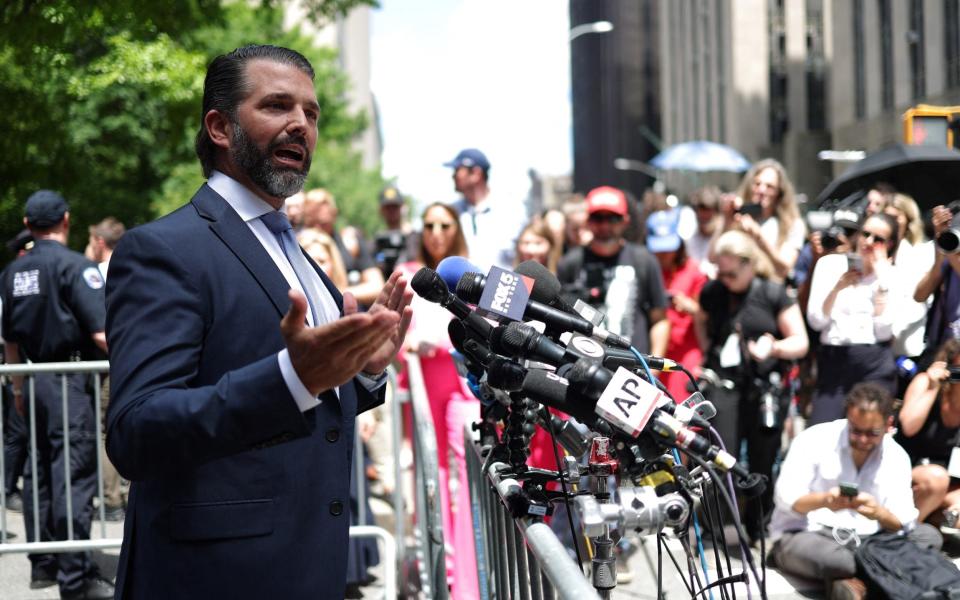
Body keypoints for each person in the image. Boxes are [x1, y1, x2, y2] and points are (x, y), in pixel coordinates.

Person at [103, 44, 412, 599]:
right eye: (277, 105)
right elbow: (136, 431)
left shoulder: (299, 254)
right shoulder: (164, 249)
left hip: (308, 567)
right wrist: (292, 379)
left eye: (312, 113)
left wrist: (360, 372)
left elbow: (311, 400)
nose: (300, 125)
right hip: (212, 577)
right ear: (220, 127)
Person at [1, 190, 114, 599]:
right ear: (65, 221)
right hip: (68, 378)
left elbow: (9, 338)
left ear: (28, 225)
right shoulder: (77, 267)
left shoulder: (12, 272)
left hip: (30, 377)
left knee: (38, 473)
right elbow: (102, 333)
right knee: (73, 471)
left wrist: (16, 388)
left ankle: (42, 565)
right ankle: (75, 576)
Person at [769, 383, 942, 598]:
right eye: (856, 431)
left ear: (889, 424)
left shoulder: (896, 455)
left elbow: (903, 520)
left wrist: (878, 513)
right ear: (848, 418)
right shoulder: (814, 439)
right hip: (810, 532)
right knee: (840, 560)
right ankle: (871, 573)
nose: (862, 440)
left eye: (871, 433)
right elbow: (787, 499)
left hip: (869, 539)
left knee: (929, 537)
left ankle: (856, 580)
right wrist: (825, 500)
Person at [695, 230, 809, 533]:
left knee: (762, 459)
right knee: (720, 455)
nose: (725, 278)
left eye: (732, 273)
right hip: (725, 383)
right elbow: (700, 318)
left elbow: (800, 341)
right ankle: (715, 526)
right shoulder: (713, 291)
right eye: (720, 271)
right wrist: (708, 349)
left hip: (763, 387)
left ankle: (758, 526)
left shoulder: (772, 292)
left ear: (749, 265)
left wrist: (774, 348)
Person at [394, 202, 478, 599]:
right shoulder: (410, 275)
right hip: (425, 382)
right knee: (433, 471)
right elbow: (395, 336)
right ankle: (444, 566)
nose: (436, 231)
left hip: (463, 384)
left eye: (445, 223)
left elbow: (488, 328)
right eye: (429, 224)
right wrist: (409, 344)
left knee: (467, 472)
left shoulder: (470, 274)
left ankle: (469, 570)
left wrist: (446, 344)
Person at [806, 213, 900, 425]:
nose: (868, 242)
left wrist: (882, 281)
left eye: (878, 239)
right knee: (822, 428)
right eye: (865, 234)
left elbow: (884, 330)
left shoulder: (891, 275)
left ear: (890, 244)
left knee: (867, 431)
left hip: (873, 362)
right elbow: (817, 321)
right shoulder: (830, 264)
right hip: (834, 360)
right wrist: (838, 288)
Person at [557, 186, 670, 355]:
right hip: (582, 366)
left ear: (625, 221)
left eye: (613, 219)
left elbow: (659, 320)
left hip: (633, 369)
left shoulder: (644, 260)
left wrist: (653, 371)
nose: (604, 226)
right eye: (598, 218)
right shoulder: (570, 263)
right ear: (588, 221)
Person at [895, 339, 960, 523]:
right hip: (912, 471)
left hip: (948, 481)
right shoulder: (925, 382)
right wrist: (933, 388)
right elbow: (908, 426)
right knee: (936, 478)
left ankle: (930, 525)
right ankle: (904, 533)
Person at [645, 209, 706, 403]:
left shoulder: (693, 271)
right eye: (658, 249)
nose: (663, 254)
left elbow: (707, 315)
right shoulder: (644, 268)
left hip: (686, 353)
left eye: (668, 247)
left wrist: (691, 306)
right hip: (652, 351)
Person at [715, 158, 805, 281]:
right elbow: (713, 257)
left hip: (769, 291)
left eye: (769, 186)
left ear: (779, 192)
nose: (762, 190)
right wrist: (727, 219)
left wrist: (758, 237)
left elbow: (784, 269)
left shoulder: (792, 224)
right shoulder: (737, 217)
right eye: (757, 184)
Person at [301, 187, 385, 305]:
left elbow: (376, 286)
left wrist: (334, 293)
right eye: (312, 223)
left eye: (324, 224)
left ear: (334, 214)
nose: (318, 230)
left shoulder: (351, 243)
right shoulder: (297, 244)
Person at [445, 147, 524, 271]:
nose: (453, 176)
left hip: (502, 288)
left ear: (476, 174)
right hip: (461, 288)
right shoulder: (451, 212)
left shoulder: (511, 210)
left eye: (457, 170)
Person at [915, 204, 960, 367]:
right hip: (940, 349)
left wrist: (951, 253)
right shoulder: (948, 260)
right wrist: (942, 241)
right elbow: (919, 295)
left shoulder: (953, 258)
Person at [372, 184, 416, 278]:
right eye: (388, 207)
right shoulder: (377, 241)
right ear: (381, 210)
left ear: (403, 208)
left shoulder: (414, 237)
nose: (392, 211)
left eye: (395, 207)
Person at [681, 186, 721, 278]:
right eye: (700, 209)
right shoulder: (690, 237)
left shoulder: (725, 238)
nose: (703, 215)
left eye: (708, 209)